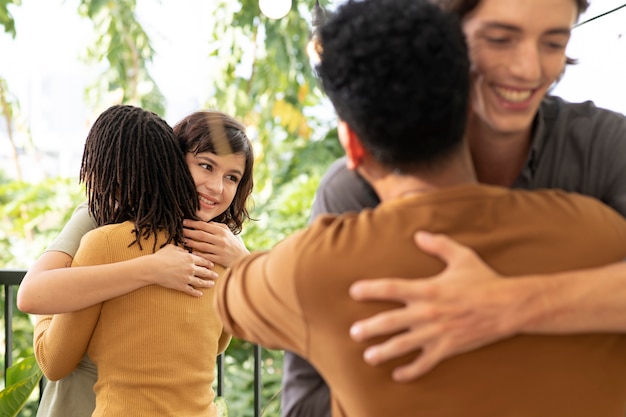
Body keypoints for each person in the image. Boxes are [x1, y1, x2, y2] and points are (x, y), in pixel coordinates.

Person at [215, 0, 626, 416]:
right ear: (452, 47)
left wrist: (514, 302)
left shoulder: (605, 151)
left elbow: (236, 298)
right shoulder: (596, 225)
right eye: (500, 39)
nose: (528, 69)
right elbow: (307, 396)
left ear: (353, 144)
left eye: (555, 42)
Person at [33, 105, 254, 417]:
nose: (217, 187)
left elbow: (52, 357)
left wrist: (50, 310)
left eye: (231, 176)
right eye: (206, 166)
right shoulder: (217, 250)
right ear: (172, 162)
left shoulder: (106, 242)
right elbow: (216, 345)